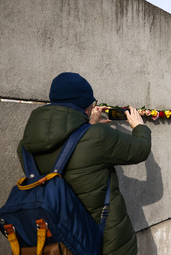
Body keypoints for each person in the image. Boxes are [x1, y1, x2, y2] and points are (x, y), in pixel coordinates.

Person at [17, 72, 151, 254]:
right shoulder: (98, 136)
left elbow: (73, 156)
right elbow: (140, 149)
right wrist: (139, 126)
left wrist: (88, 126)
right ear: (85, 105)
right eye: (92, 103)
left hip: (58, 240)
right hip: (103, 240)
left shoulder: (25, 145)